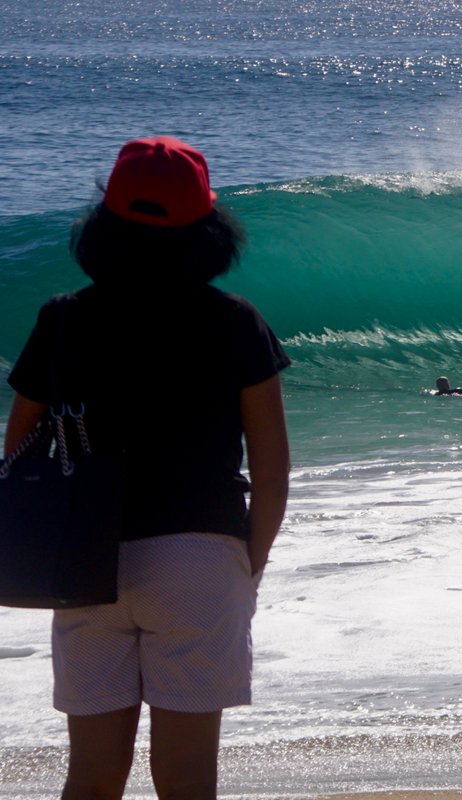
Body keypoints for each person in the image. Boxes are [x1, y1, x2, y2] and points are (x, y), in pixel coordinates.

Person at [4, 136, 291, 800]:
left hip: (85, 561)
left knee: (94, 776)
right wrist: (251, 561)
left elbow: (18, 450)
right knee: (187, 781)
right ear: (207, 228)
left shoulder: (64, 319)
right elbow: (272, 468)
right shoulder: (236, 323)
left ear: (104, 220)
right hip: (200, 553)